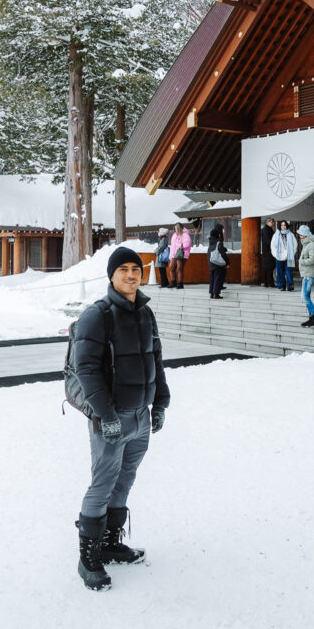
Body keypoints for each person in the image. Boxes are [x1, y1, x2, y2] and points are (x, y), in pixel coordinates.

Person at [73, 246, 170, 591]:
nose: (131, 274)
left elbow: (155, 359)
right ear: (111, 275)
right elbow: (85, 369)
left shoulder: (144, 313)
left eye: (136, 268)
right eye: (124, 269)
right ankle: (88, 558)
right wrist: (106, 415)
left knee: (124, 480)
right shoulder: (96, 316)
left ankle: (111, 543)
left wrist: (160, 403)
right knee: (102, 483)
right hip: (110, 420)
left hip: (140, 417)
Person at [297, 224, 314, 327]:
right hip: (306, 273)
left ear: (305, 234)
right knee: (306, 296)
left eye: (300, 234)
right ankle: (312, 317)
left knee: (305, 297)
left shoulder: (311, 245)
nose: (299, 235)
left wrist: (302, 261)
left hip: (308, 274)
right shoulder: (306, 244)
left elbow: (313, 259)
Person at [271, 219, 297, 290]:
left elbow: (295, 245)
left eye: (284, 225)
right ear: (280, 226)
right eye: (282, 225)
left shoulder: (290, 234)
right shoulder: (276, 235)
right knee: (280, 272)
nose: (283, 226)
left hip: (289, 256)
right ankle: (281, 285)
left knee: (289, 271)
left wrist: (292, 253)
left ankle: (290, 285)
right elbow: (273, 245)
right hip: (279, 256)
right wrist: (275, 254)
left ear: (287, 226)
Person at [208, 222, 229, 299]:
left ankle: (211, 293)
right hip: (217, 263)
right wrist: (227, 262)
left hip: (211, 263)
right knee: (218, 278)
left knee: (212, 278)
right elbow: (222, 253)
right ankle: (216, 294)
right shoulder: (218, 242)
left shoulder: (210, 242)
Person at [168, 222, 191, 288]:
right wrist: (171, 255)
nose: (176, 230)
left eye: (177, 228)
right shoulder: (174, 235)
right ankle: (173, 282)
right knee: (171, 267)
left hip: (181, 254)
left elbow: (186, 244)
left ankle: (180, 283)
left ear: (180, 228)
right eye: (175, 228)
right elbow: (172, 246)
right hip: (174, 254)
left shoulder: (185, 235)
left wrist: (178, 245)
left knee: (179, 268)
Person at [261, 217, 276, 287]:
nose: (272, 223)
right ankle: (270, 283)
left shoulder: (267, 229)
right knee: (269, 267)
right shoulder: (266, 230)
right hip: (268, 251)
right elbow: (268, 241)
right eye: (271, 222)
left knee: (267, 268)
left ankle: (267, 283)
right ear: (267, 222)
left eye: (273, 222)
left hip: (267, 250)